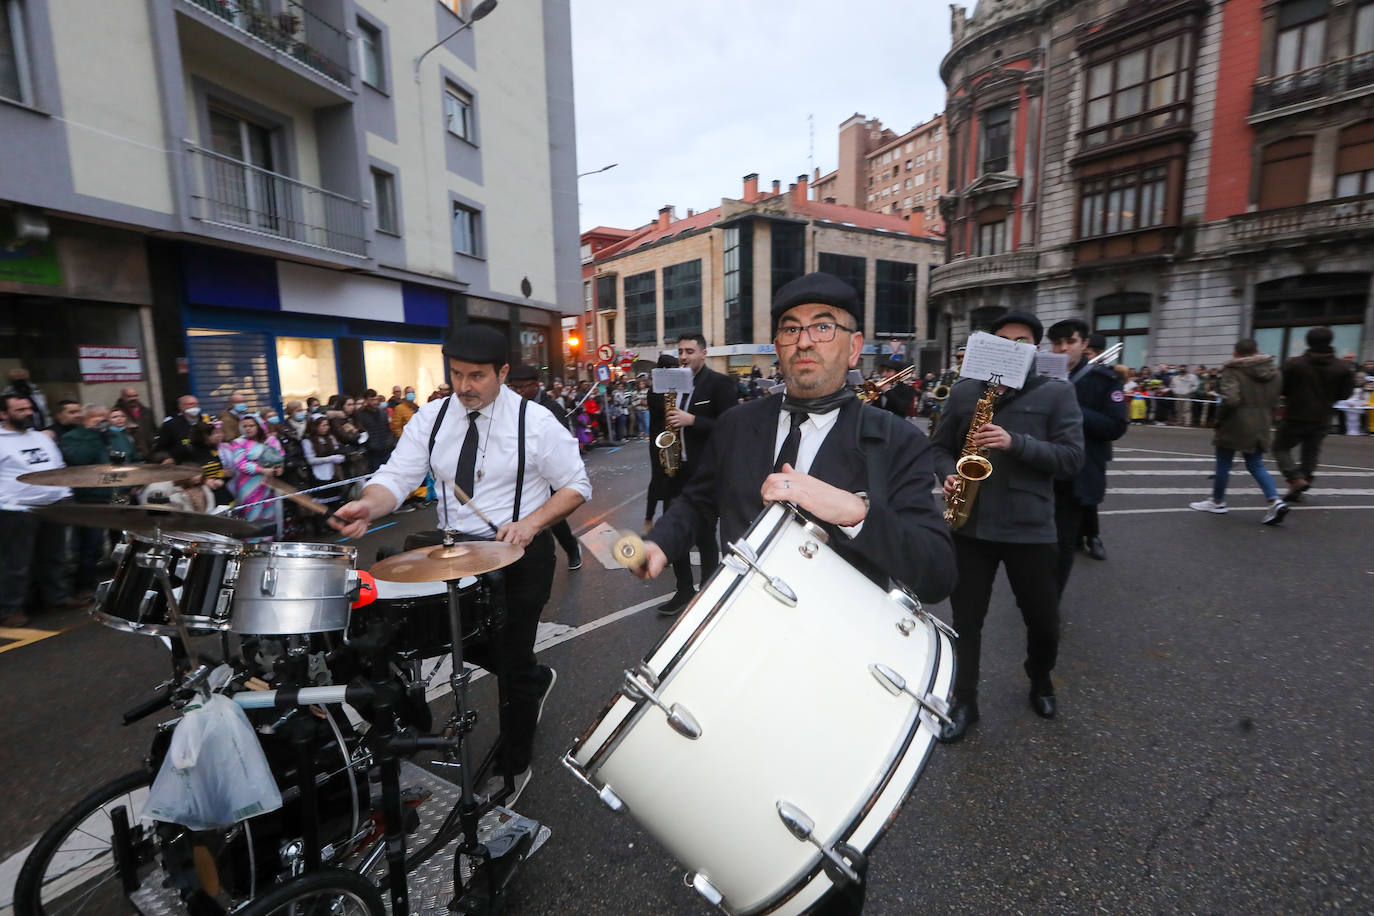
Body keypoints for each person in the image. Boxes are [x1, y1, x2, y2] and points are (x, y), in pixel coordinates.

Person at [631, 273, 955, 914]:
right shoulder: (737, 425)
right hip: (736, 660)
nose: (805, 340)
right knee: (738, 825)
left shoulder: (897, 441)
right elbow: (698, 498)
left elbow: (939, 572)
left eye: (823, 326)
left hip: (840, 678)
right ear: (777, 347)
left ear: (854, 346)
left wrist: (853, 512)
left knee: (826, 854)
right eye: (790, 328)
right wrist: (662, 543)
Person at [333, 325, 591, 803]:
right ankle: (530, 679)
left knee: (510, 658)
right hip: (455, 553)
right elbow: (398, 476)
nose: (465, 386)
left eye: (477, 376)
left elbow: (577, 485)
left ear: (503, 372)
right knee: (438, 636)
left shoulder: (534, 421)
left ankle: (514, 765)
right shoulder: (432, 418)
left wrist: (530, 523)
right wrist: (368, 504)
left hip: (519, 553)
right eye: (457, 375)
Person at [930, 312, 1084, 742]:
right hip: (971, 526)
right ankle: (965, 699)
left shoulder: (1057, 393)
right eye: (1002, 339)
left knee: (1043, 620)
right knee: (966, 621)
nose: (1012, 346)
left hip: (1029, 528)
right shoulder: (965, 392)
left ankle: (1040, 677)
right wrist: (947, 473)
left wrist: (1016, 443)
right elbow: (938, 448)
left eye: (1022, 340)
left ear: (1035, 348)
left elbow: (1072, 459)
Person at [654, 331, 740, 616]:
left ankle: (708, 591)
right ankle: (683, 590)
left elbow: (731, 428)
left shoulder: (720, 383)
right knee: (673, 530)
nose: (683, 357)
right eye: (680, 351)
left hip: (704, 474)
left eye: (689, 351)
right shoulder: (673, 383)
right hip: (676, 470)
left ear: (704, 353)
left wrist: (692, 420)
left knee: (704, 535)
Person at [1045, 319, 1128, 593]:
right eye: (1057, 343)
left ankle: (1050, 601)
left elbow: (1115, 427)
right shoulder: (1039, 376)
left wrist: (1072, 407)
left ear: (1084, 344)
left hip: (1076, 473)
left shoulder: (1104, 380)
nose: (1063, 349)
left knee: (1063, 543)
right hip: (1040, 467)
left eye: (1070, 342)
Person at [0, 393, 84, 627]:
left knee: (54, 556)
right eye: (20, 410)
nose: (28, 413)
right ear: (3, 414)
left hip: (53, 505)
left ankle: (56, 598)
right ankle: (10, 609)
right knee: (16, 561)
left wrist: (65, 494)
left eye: (29, 409)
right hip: (16, 509)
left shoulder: (41, 437)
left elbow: (59, 466)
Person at [1188, 339, 1289, 524]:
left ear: (1235, 353)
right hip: (1262, 422)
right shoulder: (1274, 372)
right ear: (1257, 350)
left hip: (1235, 422)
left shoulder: (1233, 370)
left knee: (1223, 463)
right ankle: (1275, 501)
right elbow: (1276, 400)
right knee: (1255, 464)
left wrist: (1219, 418)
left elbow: (1231, 400)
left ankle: (1217, 501)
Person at [59, 404, 142, 593]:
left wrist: (136, 480)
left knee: (123, 539)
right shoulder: (73, 437)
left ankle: (122, 579)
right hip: (91, 498)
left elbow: (135, 459)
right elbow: (78, 459)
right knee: (92, 544)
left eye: (105, 417)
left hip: (120, 495)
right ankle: (85, 585)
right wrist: (94, 436)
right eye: (96, 417)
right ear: (85, 420)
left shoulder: (119, 437)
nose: (102, 421)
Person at [508, 364, 583, 570]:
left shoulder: (551, 409)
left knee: (551, 517)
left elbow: (562, 445)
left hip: (547, 472)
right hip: (521, 471)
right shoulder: (509, 408)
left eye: (522, 387)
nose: (517, 392)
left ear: (535, 386)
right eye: (513, 387)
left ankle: (572, 549)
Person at [1273, 327, 1356, 502]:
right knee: (1311, 451)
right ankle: (1300, 485)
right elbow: (1345, 394)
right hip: (1324, 416)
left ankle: (1294, 478)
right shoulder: (1343, 367)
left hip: (1295, 414)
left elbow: (1280, 387)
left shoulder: (1294, 364)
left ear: (1308, 342)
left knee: (1280, 447)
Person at [223, 414, 285, 536]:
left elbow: (279, 457)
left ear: (259, 426)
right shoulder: (239, 442)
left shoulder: (271, 440)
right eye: (245, 426)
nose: (248, 428)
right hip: (249, 486)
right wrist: (261, 470)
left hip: (269, 485)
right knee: (252, 518)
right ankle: (252, 544)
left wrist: (279, 468)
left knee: (269, 517)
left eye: (251, 425)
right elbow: (241, 464)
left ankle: (268, 542)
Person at [185, 422, 232, 506]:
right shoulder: (189, 451)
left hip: (219, 490)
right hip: (202, 494)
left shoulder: (212, 449)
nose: (215, 436)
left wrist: (222, 476)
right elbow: (187, 474)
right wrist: (204, 481)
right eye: (211, 434)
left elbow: (219, 467)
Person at [153, 395, 207, 464]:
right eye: (191, 404)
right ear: (181, 407)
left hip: (204, 461)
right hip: (182, 463)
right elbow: (160, 447)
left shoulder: (204, 421)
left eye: (196, 404)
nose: (195, 406)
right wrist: (168, 458)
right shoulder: (171, 424)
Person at [355, 389, 396, 473]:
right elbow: (361, 433)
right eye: (371, 400)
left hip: (387, 448)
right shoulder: (360, 415)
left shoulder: (383, 412)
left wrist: (391, 442)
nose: (375, 402)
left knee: (391, 473)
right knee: (377, 475)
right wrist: (369, 446)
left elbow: (389, 429)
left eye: (376, 399)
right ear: (366, 400)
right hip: (373, 452)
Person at [112, 386, 157, 457]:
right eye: (129, 396)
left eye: (135, 396)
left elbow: (153, 429)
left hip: (149, 452)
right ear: (122, 397)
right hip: (130, 453)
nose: (133, 398)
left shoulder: (146, 411)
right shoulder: (117, 413)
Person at [141, 472, 215, 513]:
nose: (197, 478)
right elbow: (154, 504)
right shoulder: (160, 486)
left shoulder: (203, 488)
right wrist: (172, 499)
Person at [873, 355, 916, 419]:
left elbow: (902, 408)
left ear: (898, 373)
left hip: (895, 422)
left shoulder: (908, 389)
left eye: (888, 371)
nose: (883, 374)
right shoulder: (879, 388)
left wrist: (888, 391)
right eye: (883, 371)